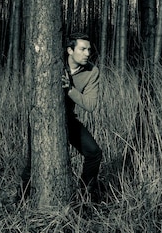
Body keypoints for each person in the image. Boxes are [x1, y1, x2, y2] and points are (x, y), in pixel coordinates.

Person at [20, 32, 103, 202]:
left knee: (94, 153)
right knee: (34, 160)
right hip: (43, 117)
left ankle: (84, 196)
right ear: (70, 50)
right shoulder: (53, 61)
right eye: (83, 49)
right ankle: (21, 198)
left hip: (68, 120)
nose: (88, 53)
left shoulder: (92, 71)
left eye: (89, 49)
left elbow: (90, 105)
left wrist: (70, 90)